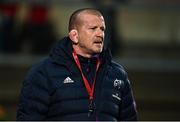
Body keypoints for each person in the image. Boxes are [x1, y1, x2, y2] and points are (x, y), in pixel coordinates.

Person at [16, 8, 138, 121]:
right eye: (93, 28)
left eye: (102, 29)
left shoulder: (118, 74)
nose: (100, 34)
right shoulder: (43, 73)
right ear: (74, 36)